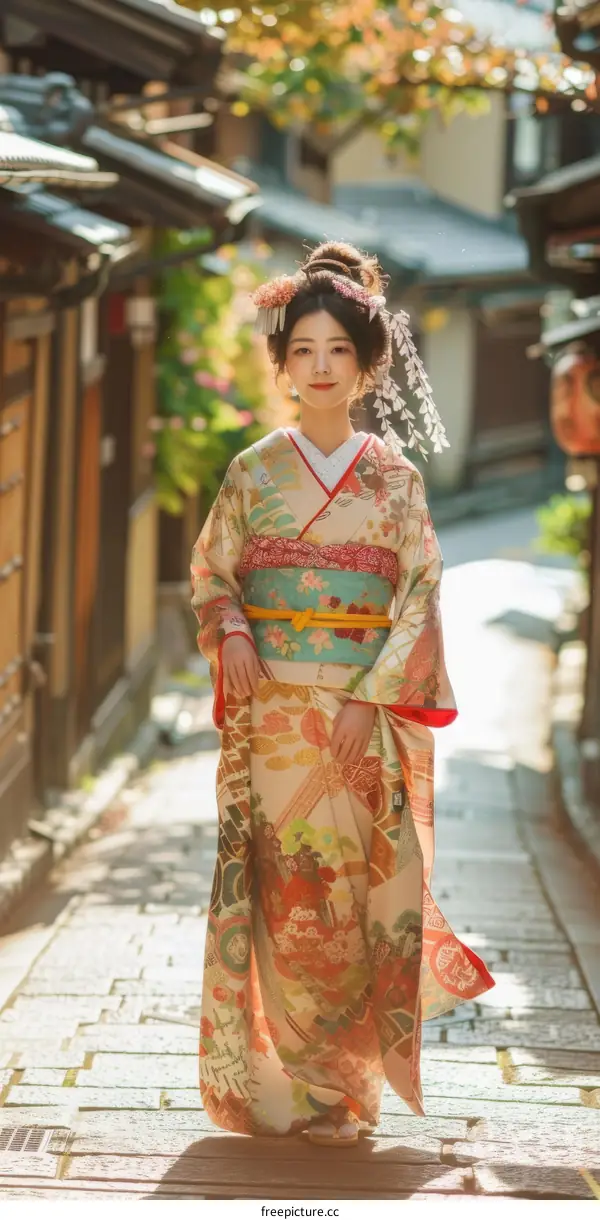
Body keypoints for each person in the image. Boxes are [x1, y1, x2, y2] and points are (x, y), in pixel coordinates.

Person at [191, 241, 494, 1147]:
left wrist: (372, 696)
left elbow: (420, 593)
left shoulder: (395, 481)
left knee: (357, 901)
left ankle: (350, 1082)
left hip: (362, 720)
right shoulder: (252, 472)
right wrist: (234, 629)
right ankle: (309, 1086)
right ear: (282, 365)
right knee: (286, 893)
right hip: (276, 716)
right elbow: (213, 573)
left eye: (338, 351)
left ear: (366, 367)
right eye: (303, 351)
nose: (320, 367)